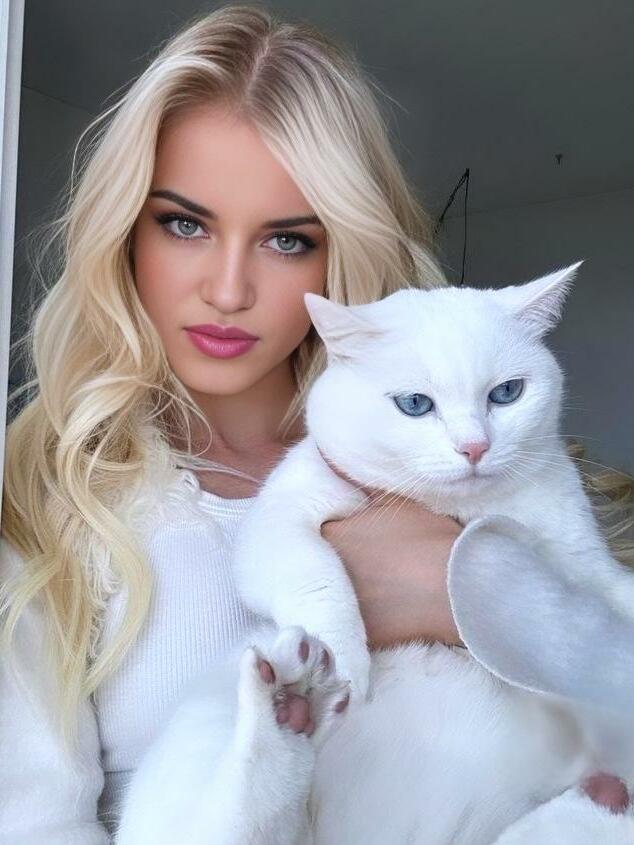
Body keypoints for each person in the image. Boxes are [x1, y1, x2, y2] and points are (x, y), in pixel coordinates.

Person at [0, 4, 628, 842]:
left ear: (341, 248)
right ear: (124, 233)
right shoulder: (53, 513)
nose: (228, 289)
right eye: (184, 224)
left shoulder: (480, 462)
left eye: (287, 240)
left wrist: (456, 589)